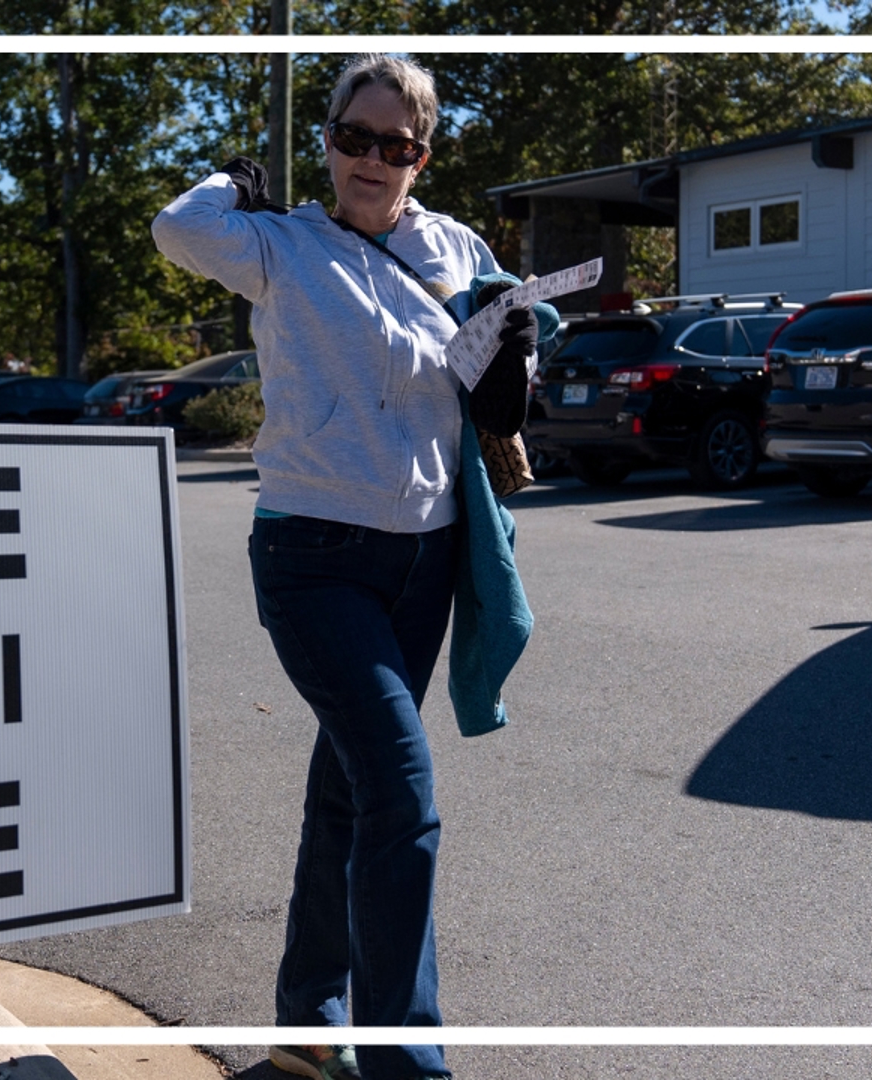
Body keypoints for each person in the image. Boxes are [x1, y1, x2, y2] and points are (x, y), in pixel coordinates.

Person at [152, 54, 541, 1080]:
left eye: (397, 145)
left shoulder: (455, 246)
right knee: (401, 793)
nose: (373, 161)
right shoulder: (280, 244)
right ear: (326, 139)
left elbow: (504, 365)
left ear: (423, 154)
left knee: (350, 792)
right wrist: (232, 186)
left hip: (423, 562)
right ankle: (407, 1061)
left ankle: (306, 1021)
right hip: (313, 557)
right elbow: (175, 231)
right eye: (354, 138)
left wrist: (516, 367)